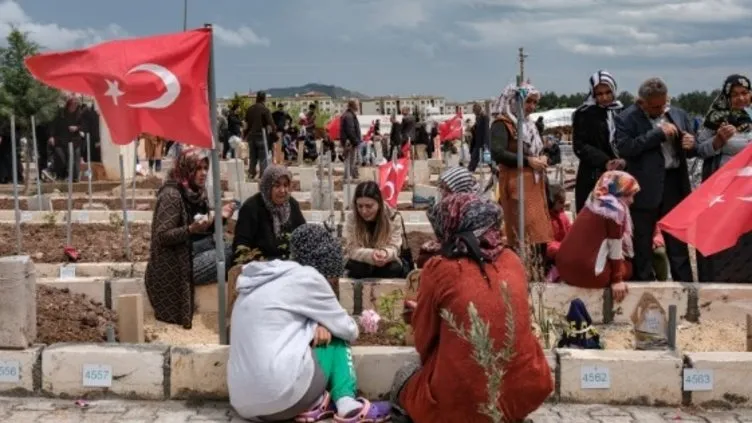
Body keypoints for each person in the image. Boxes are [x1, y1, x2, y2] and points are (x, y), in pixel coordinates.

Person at [391, 193, 553, 423]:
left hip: (462, 405)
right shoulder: (512, 261)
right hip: (526, 390)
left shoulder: (439, 269)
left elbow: (423, 343)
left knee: (404, 377)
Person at [228, 223, 391, 422]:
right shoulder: (309, 277)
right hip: (281, 398)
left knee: (323, 329)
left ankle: (317, 402)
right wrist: (323, 324)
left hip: (244, 405)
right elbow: (349, 330)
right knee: (337, 336)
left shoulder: (257, 283)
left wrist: (313, 325)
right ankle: (347, 403)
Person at [615, 77, 696, 282]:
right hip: (644, 187)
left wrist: (689, 143)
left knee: (677, 244)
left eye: (663, 104)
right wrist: (657, 134)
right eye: (655, 107)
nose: (660, 110)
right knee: (642, 244)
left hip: (674, 184)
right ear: (641, 103)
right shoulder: (626, 119)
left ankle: (685, 289)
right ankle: (644, 287)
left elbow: (692, 148)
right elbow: (626, 148)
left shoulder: (677, 114)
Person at [144, 149, 236, 328]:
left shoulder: (196, 194)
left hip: (191, 252)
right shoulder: (172, 195)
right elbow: (162, 236)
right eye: (198, 168)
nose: (203, 173)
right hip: (175, 264)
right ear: (187, 169)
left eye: (205, 168)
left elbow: (202, 230)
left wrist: (221, 217)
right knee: (233, 251)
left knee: (231, 246)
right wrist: (190, 229)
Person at [695, 74, 752, 283]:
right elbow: (699, 149)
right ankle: (722, 279)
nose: (741, 98)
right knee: (726, 232)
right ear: (726, 96)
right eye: (735, 94)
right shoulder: (715, 119)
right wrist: (718, 141)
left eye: (745, 93)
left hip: (750, 190)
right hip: (724, 188)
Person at [555, 171, 639, 302]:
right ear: (618, 192)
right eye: (628, 195)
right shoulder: (614, 210)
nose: (631, 200)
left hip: (563, 269)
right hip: (588, 274)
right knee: (629, 268)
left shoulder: (593, 202)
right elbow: (615, 248)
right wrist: (617, 280)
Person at [490, 82, 553, 251]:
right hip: (515, 184)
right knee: (521, 232)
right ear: (514, 100)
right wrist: (528, 161)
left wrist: (544, 157)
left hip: (534, 184)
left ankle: (537, 270)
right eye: (528, 102)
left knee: (537, 233)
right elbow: (498, 153)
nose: (532, 107)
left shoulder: (528, 125)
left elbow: (538, 149)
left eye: (534, 102)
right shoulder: (502, 124)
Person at [572, 71, 626, 212]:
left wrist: (622, 161)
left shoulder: (623, 112)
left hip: (621, 173)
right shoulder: (584, 114)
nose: (604, 97)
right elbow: (580, 145)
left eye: (608, 92)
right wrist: (605, 162)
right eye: (599, 94)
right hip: (593, 173)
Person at [232, 165, 306, 265]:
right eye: (277, 185)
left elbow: (304, 235)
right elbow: (241, 247)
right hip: (261, 265)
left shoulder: (292, 205)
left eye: (285, 185)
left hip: (289, 263)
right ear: (267, 186)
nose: (282, 190)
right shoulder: (251, 208)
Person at [416, 166, 479, 267]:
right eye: (442, 188)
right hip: (451, 247)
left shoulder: (475, 209)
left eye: (448, 189)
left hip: (469, 252)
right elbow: (444, 237)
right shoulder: (446, 207)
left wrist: (445, 246)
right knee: (423, 257)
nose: (443, 193)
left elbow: (473, 240)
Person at [344, 181, 405, 279]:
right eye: (360, 206)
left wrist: (385, 254)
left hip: (385, 262)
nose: (364, 211)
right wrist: (371, 255)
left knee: (393, 268)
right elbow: (351, 248)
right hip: (362, 261)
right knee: (358, 268)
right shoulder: (352, 218)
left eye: (369, 206)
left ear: (379, 204)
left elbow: (395, 247)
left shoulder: (393, 217)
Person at [51, 97, 84, 182]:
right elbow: (54, 125)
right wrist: (51, 136)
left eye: (76, 104)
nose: (74, 106)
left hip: (75, 140)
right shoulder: (61, 113)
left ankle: (75, 177)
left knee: (75, 158)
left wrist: (77, 128)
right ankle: (60, 176)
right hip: (61, 140)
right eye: (73, 104)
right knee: (61, 158)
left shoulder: (80, 114)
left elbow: (84, 126)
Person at [244, 91, 276, 179]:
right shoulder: (265, 110)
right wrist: (275, 136)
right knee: (263, 159)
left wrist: (244, 136)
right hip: (261, 137)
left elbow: (246, 125)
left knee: (252, 158)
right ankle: (262, 177)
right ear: (264, 98)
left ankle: (251, 175)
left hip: (251, 137)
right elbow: (272, 124)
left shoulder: (249, 109)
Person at [545, 184, 571, 282]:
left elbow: (570, 233)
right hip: (553, 258)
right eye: (560, 202)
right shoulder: (546, 219)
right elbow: (548, 245)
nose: (563, 205)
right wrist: (564, 249)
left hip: (564, 253)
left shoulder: (563, 216)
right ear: (551, 202)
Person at [340, 99, 362, 179]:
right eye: (357, 104)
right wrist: (356, 141)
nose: (358, 106)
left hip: (350, 142)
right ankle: (348, 180)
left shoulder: (349, 115)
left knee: (350, 162)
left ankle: (349, 178)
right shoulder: (349, 116)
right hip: (350, 143)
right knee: (350, 162)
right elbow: (350, 131)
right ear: (353, 105)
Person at [468, 103, 490, 172]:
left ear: (478, 109)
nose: (474, 112)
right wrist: (472, 128)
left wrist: (485, 143)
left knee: (487, 158)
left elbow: (486, 131)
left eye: (474, 110)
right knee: (474, 158)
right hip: (477, 142)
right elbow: (477, 129)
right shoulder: (478, 117)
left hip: (484, 142)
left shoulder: (484, 117)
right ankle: (470, 171)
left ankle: (495, 169)